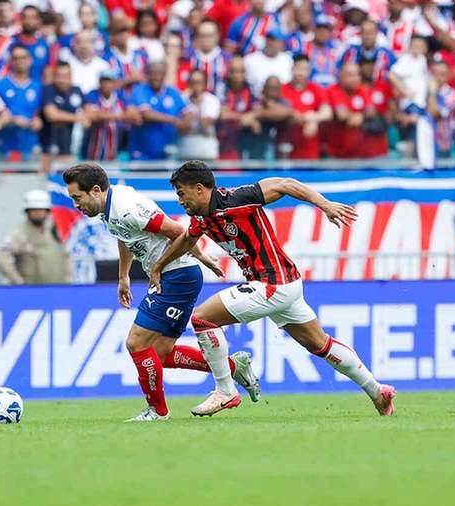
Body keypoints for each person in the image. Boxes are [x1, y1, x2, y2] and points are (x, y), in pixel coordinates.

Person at [149, 160, 397, 417]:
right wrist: (159, 266)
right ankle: (378, 392)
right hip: (285, 285)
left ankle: (225, 391)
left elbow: (286, 184)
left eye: (181, 193)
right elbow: (187, 239)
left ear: (200, 189)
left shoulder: (237, 199)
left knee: (202, 319)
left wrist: (325, 205)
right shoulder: (201, 218)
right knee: (320, 345)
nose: (179, 200)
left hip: (272, 283)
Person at [63, 162, 259, 421]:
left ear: (96, 190)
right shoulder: (109, 209)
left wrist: (196, 258)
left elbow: (178, 231)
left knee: (136, 342)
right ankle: (234, 367)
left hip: (177, 275)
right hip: (173, 275)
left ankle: (157, 412)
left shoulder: (127, 208)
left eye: (77, 198)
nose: (76, 205)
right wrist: (123, 276)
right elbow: (125, 236)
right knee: (161, 354)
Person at [0, 189, 71, 285]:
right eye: (34, 210)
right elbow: (1, 257)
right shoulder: (18, 233)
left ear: (47, 211)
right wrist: (18, 281)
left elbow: (66, 256)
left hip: (59, 289)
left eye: (41, 210)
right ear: (27, 212)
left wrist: (68, 278)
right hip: (31, 291)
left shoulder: (54, 231)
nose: (38, 213)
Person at [130, 61, 193, 160]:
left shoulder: (172, 91)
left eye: (159, 73)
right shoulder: (140, 90)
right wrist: (174, 121)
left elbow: (188, 110)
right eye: (153, 73)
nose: (156, 77)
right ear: (148, 74)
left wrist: (186, 122)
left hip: (167, 151)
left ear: (164, 75)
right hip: (142, 152)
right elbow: (146, 114)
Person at [0, 44, 43, 160]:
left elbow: (38, 112)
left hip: (29, 144)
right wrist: (13, 119)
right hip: (4, 145)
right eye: (15, 58)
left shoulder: (37, 87)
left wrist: (37, 120)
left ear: (30, 60)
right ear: (10, 61)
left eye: (23, 58)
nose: (19, 61)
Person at [40, 62, 89, 174]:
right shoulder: (48, 90)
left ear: (71, 76)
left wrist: (84, 117)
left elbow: (89, 112)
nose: (62, 80)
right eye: (59, 76)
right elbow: (51, 115)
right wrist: (77, 118)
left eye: (66, 76)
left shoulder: (77, 90)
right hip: (51, 148)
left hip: (75, 147)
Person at [281, 54, 332, 160]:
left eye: (304, 69)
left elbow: (327, 113)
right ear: (292, 69)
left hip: (310, 151)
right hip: (285, 150)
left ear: (309, 71)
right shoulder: (282, 90)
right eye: (298, 68)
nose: (301, 73)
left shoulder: (316, 89)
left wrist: (313, 118)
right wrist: (297, 116)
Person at [82, 68, 132, 161]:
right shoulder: (93, 95)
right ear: (99, 82)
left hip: (115, 152)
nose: (107, 85)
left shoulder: (120, 96)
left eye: (110, 81)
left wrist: (102, 115)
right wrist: (120, 116)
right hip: (93, 152)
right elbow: (92, 115)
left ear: (115, 83)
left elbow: (132, 115)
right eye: (104, 81)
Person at [216, 55, 260, 160]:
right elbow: (223, 114)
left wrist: (251, 117)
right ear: (228, 72)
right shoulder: (221, 87)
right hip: (224, 141)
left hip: (246, 139)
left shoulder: (251, 88)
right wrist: (243, 118)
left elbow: (258, 110)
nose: (237, 75)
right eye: (234, 71)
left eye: (241, 71)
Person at [327, 62, 369, 159]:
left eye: (357, 74)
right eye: (350, 75)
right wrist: (356, 115)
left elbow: (371, 111)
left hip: (360, 153)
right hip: (335, 154)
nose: (355, 78)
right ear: (340, 76)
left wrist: (362, 116)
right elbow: (341, 114)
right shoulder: (332, 91)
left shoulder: (362, 90)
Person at [178, 69, 220, 160]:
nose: (195, 86)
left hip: (207, 151)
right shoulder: (182, 98)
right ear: (188, 83)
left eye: (199, 82)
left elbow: (205, 125)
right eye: (193, 82)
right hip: (186, 150)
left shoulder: (212, 100)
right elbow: (184, 127)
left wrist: (197, 105)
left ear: (205, 84)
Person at [337, 19, 396, 84]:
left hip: (379, 90)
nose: (367, 36)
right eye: (364, 33)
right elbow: (339, 71)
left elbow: (394, 75)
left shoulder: (387, 54)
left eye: (370, 33)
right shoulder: (351, 52)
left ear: (377, 33)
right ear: (360, 34)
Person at [427, 58, 455, 158]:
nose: (439, 77)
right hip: (425, 140)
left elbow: (435, 113)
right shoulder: (422, 90)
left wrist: (431, 93)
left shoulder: (451, 94)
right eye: (435, 73)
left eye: (442, 74)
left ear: (448, 75)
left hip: (444, 144)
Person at [243, 28, 292, 95]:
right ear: (265, 40)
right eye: (270, 39)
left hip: (282, 101)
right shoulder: (249, 60)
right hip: (256, 100)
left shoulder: (288, 60)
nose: (272, 43)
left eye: (276, 40)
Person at [61, 30, 110, 95]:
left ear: (93, 44)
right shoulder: (66, 65)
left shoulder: (104, 66)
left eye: (87, 42)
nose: (83, 46)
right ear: (74, 44)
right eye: (79, 42)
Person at [13, 6, 50, 84]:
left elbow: (47, 72)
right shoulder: (12, 42)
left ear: (39, 21)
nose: (29, 21)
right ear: (21, 20)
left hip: (37, 91)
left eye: (33, 17)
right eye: (25, 17)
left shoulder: (44, 45)